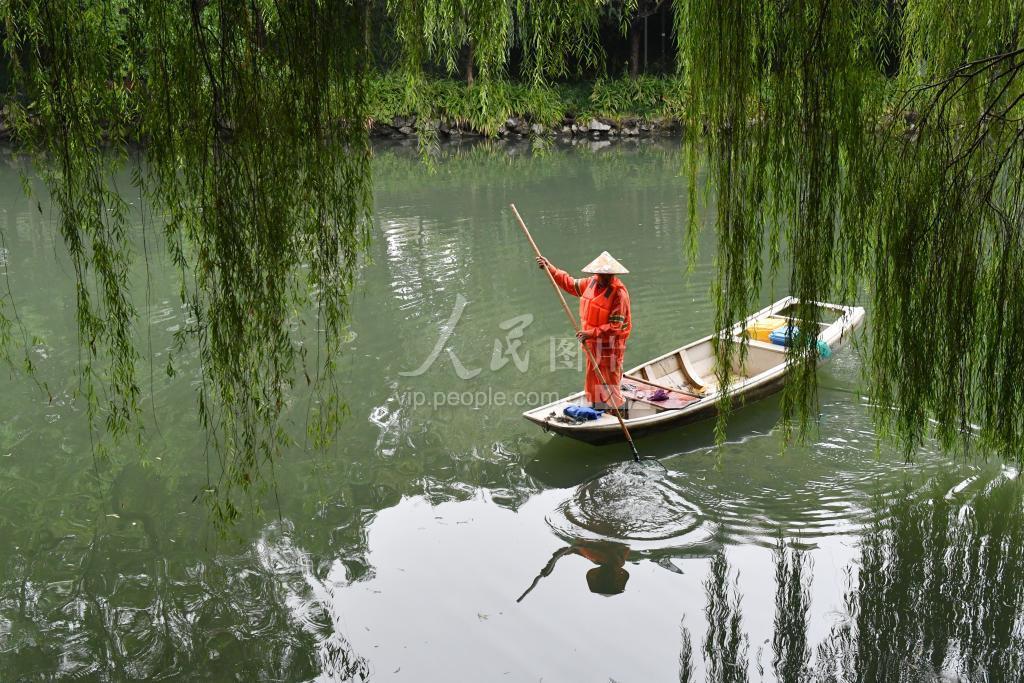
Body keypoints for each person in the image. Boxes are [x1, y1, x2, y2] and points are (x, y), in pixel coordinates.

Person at [536, 251, 632, 411]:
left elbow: (615, 327)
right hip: (592, 345)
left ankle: (620, 412)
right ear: (597, 274)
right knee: (593, 381)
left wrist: (590, 333)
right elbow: (569, 283)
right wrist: (550, 268)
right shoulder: (590, 283)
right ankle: (599, 409)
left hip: (610, 347)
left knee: (610, 383)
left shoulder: (619, 294)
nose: (605, 278)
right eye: (602, 275)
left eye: (608, 275)